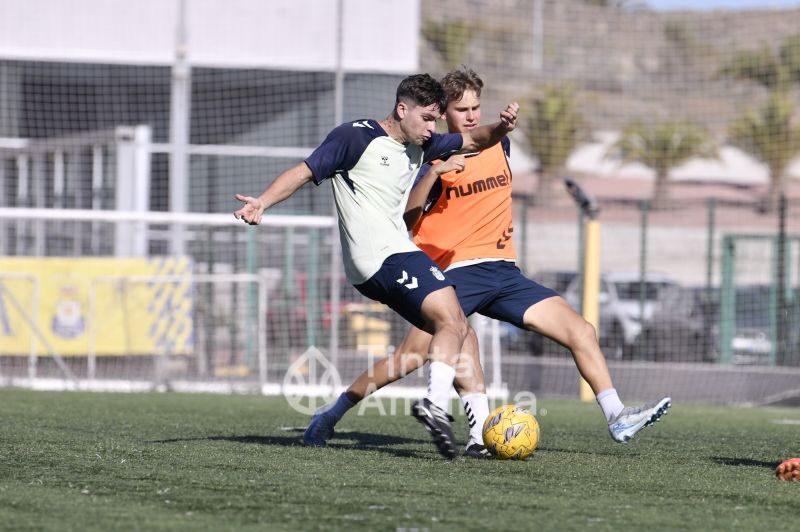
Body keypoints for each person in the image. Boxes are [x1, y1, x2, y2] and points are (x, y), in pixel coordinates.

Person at [303, 67, 671, 457]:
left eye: (477, 107)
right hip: (450, 273)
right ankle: (332, 414)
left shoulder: (500, 145)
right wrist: (433, 173)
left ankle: (616, 417)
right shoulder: (430, 152)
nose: (473, 116)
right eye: (463, 110)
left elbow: (490, 136)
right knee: (410, 358)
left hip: (503, 271)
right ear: (443, 115)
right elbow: (406, 220)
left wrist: (504, 125)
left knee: (581, 330)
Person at [234, 73, 519, 459]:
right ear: (402, 110)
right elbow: (303, 172)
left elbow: (474, 139)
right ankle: (435, 404)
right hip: (378, 256)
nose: (432, 127)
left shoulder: (425, 142)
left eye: (436, 119)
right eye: (426, 118)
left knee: (458, 328)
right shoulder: (356, 137)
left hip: (395, 253)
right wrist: (263, 202)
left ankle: (470, 437)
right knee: (452, 321)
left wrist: (501, 127)